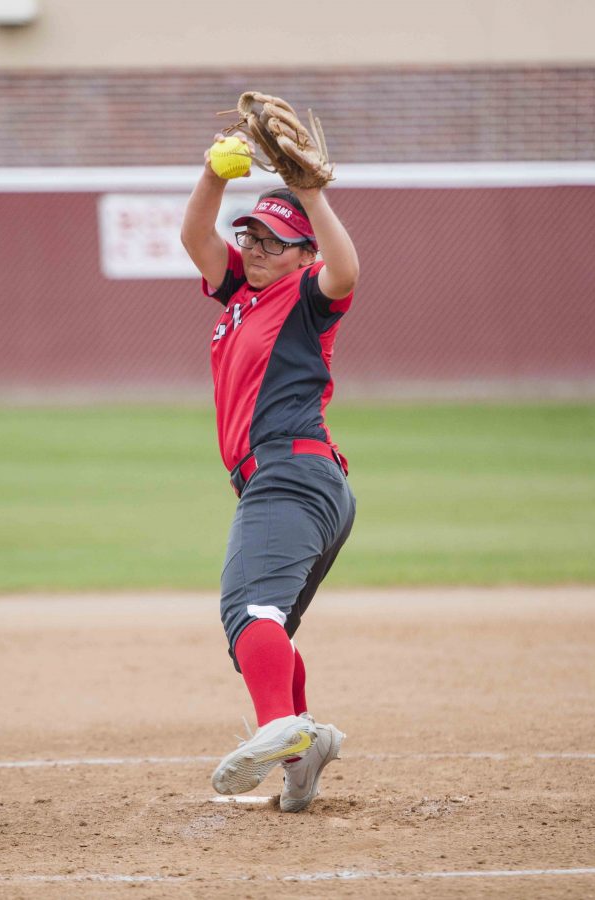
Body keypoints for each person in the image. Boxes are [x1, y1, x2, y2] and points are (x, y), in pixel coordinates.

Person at [180, 131, 359, 812]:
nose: (255, 249)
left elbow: (346, 272)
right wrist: (211, 176)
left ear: (304, 254)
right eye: (251, 236)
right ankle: (303, 754)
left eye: (273, 242)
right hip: (291, 481)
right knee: (265, 627)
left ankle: (280, 730)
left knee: (247, 611)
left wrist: (311, 193)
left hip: (290, 472)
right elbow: (197, 237)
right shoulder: (239, 294)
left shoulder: (308, 297)